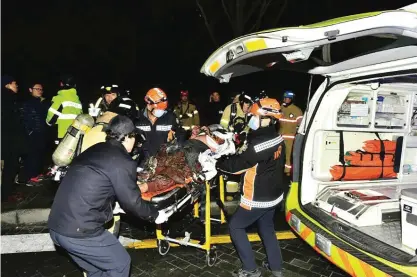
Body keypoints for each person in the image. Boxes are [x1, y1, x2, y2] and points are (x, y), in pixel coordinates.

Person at [48, 115, 173, 277]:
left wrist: (113, 205)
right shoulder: (122, 160)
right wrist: (155, 215)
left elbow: (94, 185)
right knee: (120, 264)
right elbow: (132, 202)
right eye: (134, 137)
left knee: (96, 269)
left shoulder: (95, 148)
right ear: (128, 137)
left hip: (57, 226)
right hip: (80, 230)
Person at [204, 97, 286, 277]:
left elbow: (237, 166)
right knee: (266, 227)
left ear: (267, 118)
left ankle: (250, 269)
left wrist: (217, 164)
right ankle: (276, 266)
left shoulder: (259, 144)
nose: (252, 119)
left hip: (257, 196)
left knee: (236, 227)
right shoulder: (277, 138)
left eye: (255, 116)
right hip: (274, 195)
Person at [135, 87, 186, 163]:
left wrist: (175, 143)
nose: (161, 111)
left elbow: (181, 135)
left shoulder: (170, 117)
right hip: (142, 163)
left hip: (163, 163)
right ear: (148, 103)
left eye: (163, 108)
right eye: (158, 108)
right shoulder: (137, 118)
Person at [1, 75, 26, 201]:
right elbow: (12, 121)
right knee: (10, 166)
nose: (17, 86)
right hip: (9, 139)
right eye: (14, 83)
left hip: (7, 138)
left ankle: (6, 192)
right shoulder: (8, 98)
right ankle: (6, 194)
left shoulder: (8, 98)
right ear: (7, 85)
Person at [20, 82, 49, 186]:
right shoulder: (27, 103)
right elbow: (24, 119)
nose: (40, 91)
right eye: (37, 89)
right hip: (32, 134)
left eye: (41, 89)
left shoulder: (42, 102)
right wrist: (29, 131)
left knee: (39, 155)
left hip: (41, 132)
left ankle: (37, 174)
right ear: (30, 90)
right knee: (32, 156)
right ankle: (30, 178)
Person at [46, 75, 83, 140]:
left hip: (62, 134)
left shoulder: (59, 98)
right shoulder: (78, 101)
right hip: (75, 135)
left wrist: (48, 123)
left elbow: (51, 119)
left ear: (61, 84)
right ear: (74, 86)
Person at [278, 90, 303, 176]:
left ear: (292, 99)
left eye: (289, 98)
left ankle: (287, 173)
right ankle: (277, 171)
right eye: (286, 98)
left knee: (288, 157)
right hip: (279, 137)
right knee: (277, 155)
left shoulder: (297, 110)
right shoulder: (279, 108)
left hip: (290, 138)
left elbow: (301, 125)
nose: (287, 100)